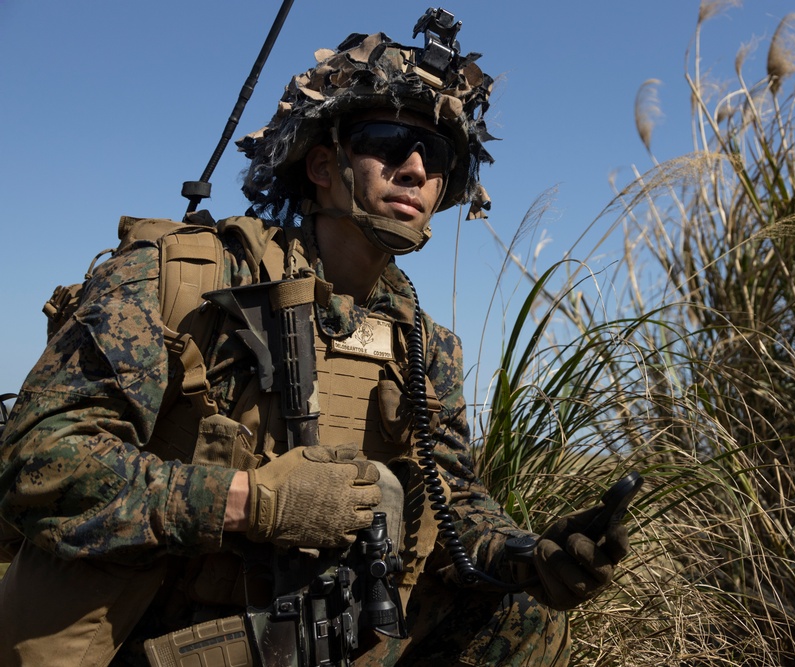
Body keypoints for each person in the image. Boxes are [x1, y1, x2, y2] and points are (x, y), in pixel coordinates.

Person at [0, 8, 630, 667]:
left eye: (436, 155)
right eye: (389, 142)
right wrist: (252, 502)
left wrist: (531, 554)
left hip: (317, 632)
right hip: (162, 635)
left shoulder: (423, 345)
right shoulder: (184, 280)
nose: (415, 166)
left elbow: (453, 505)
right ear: (323, 165)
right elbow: (38, 463)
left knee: (520, 619)